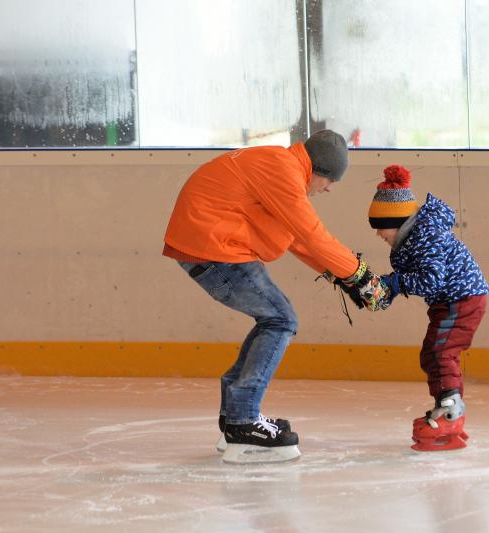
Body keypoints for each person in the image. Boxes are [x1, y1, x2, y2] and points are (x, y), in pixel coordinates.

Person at [163, 130, 388, 464]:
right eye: (329, 182)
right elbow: (313, 235)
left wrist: (343, 277)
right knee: (281, 319)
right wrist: (362, 277)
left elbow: (298, 238)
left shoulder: (279, 165)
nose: (327, 190)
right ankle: (243, 421)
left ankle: (235, 418)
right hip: (214, 248)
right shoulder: (283, 171)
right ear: (318, 170)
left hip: (210, 244)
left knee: (273, 318)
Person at [368, 164, 489, 452]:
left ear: (397, 221)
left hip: (460, 299)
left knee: (441, 352)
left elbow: (430, 280)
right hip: (452, 300)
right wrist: (390, 288)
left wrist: (394, 284)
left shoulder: (425, 236)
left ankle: (451, 414)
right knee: (433, 353)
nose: (378, 235)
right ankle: (446, 407)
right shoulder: (417, 237)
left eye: (380, 227)